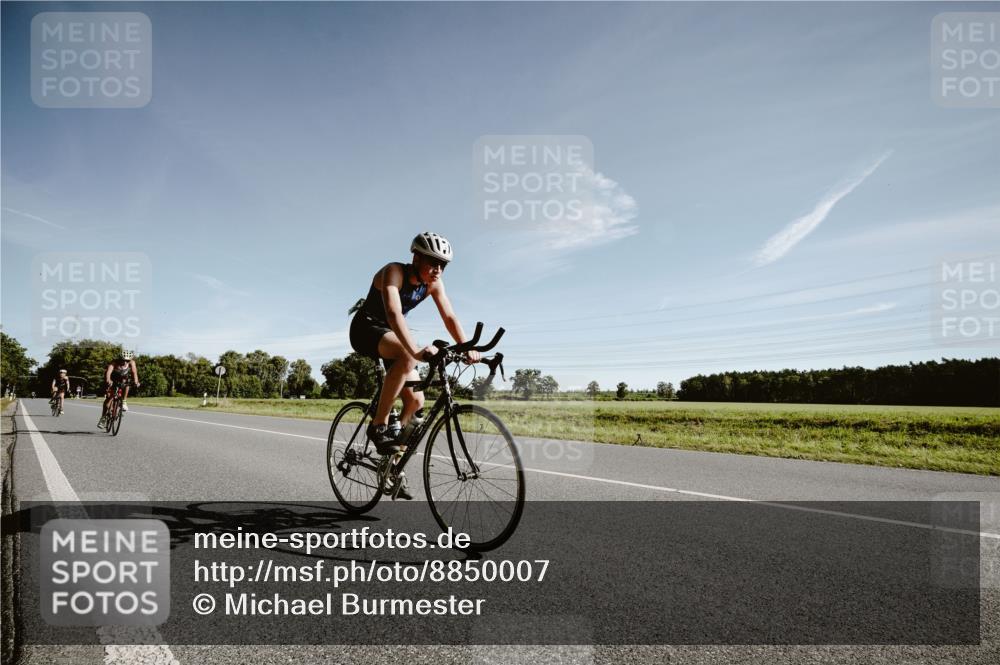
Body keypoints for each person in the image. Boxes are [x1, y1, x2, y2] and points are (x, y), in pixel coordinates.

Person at [349, 232, 480, 460]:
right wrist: (416, 351)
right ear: (416, 258)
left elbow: (449, 317)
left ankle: (391, 462)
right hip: (366, 329)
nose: (438, 270)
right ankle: (378, 425)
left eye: (443, 265)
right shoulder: (394, 271)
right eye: (433, 262)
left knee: (417, 401)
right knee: (407, 355)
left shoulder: (433, 284)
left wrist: (466, 346)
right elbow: (394, 313)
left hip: (392, 335)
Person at [98, 349, 141, 429]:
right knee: (109, 398)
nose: (125, 362)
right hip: (113, 379)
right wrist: (108, 380)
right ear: (120, 358)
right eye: (123, 360)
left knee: (127, 383)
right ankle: (103, 418)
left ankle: (124, 401)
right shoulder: (114, 362)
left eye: (127, 360)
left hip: (123, 379)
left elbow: (134, 373)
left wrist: (136, 381)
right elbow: (108, 372)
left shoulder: (132, 363)